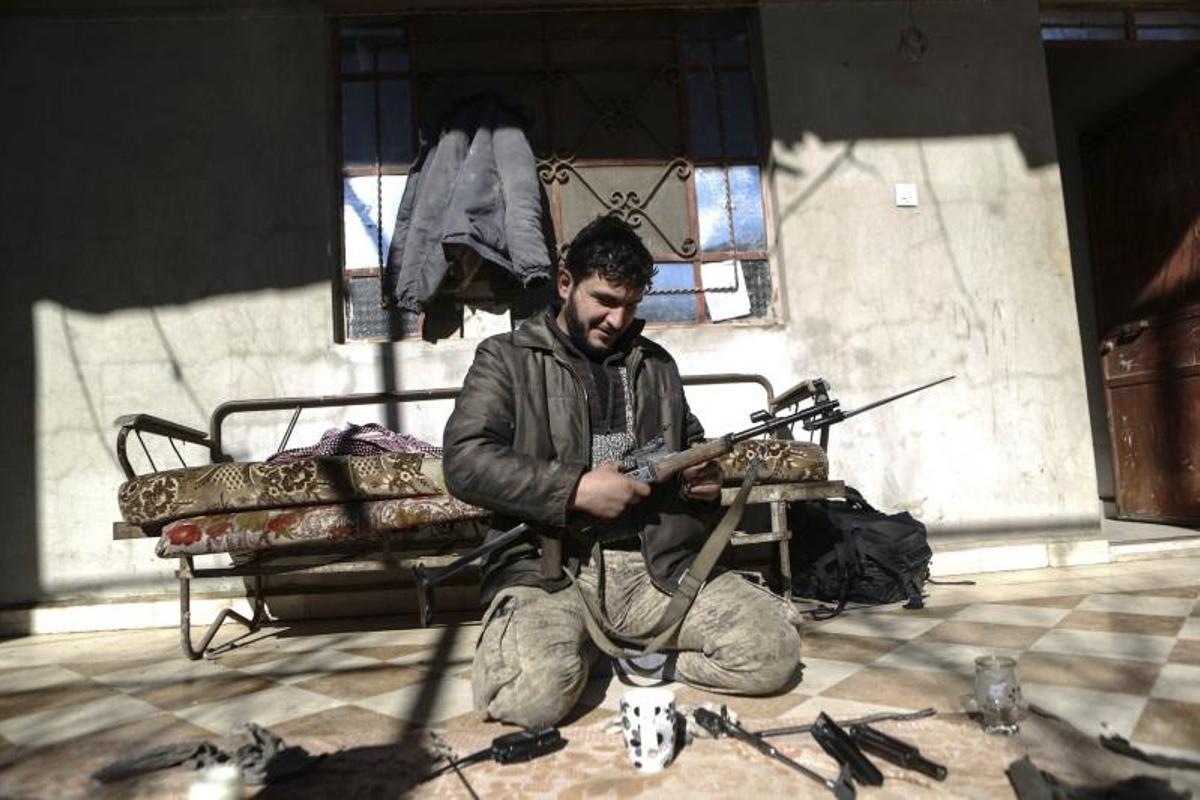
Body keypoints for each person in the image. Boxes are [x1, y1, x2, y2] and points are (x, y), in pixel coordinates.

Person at [443, 215, 802, 728]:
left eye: (630, 305)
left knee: (771, 651)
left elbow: (689, 441)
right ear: (565, 283)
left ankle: (634, 658)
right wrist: (573, 489)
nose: (617, 319)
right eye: (604, 301)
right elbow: (464, 460)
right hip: (553, 570)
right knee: (530, 697)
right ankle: (575, 645)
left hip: (653, 567)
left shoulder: (656, 364)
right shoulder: (506, 358)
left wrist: (703, 476)